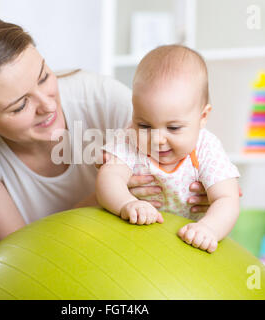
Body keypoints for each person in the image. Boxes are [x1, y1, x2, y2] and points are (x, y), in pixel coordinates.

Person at [0, 13, 210, 291]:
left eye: (44, 77)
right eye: (20, 105)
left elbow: (189, 156)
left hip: (139, 277)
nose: (47, 105)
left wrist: (200, 190)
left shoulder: (102, 101)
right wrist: (106, 196)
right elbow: (26, 261)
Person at [96, 45, 241, 253]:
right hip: (135, 240)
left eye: (173, 128)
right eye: (144, 125)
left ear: (203, 117)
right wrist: (127, 204)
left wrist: (208, 228)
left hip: (190, 244)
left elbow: (227, 199)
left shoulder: (207, 148)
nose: (157, 139)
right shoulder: (128, 139)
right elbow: (108, 178)